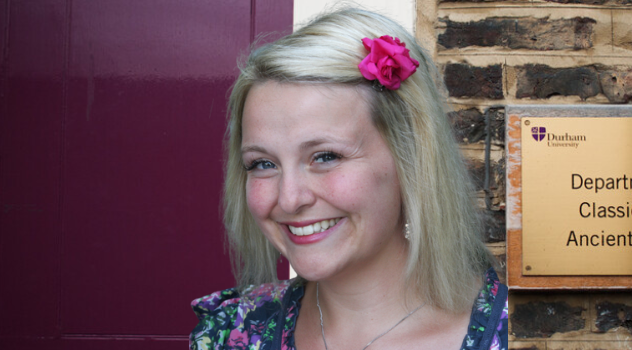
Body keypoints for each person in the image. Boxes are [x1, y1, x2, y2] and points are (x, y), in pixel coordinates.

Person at [190, 8, 508, 350]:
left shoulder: (510, 333)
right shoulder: (232, 332)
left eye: (325, 157)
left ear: (412, 157)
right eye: (263, 164)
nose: (289, 199)